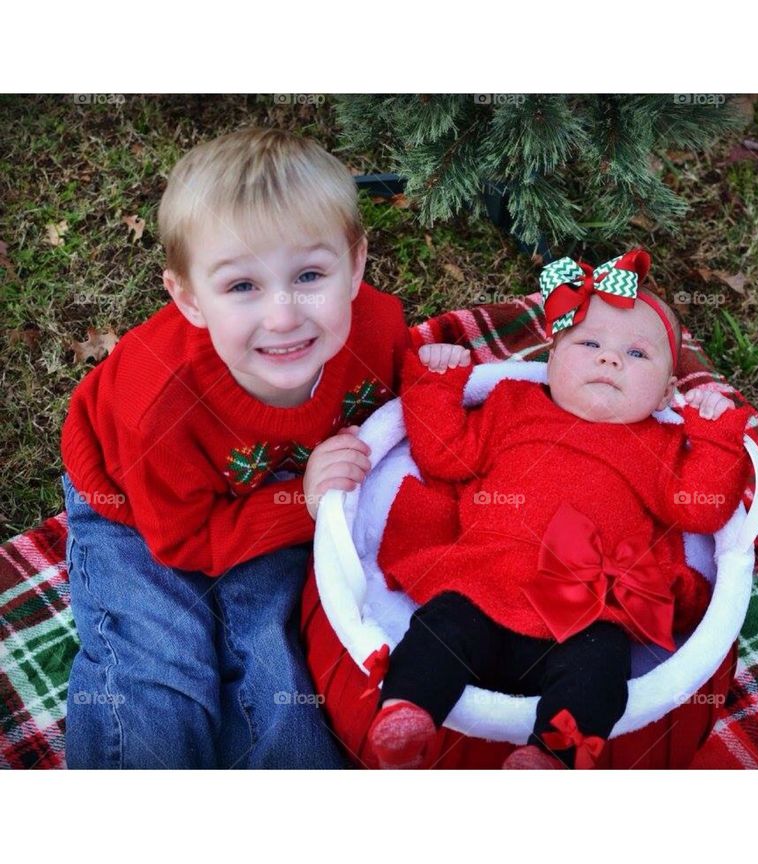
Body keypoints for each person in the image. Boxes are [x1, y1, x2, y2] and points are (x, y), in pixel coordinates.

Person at [59, 127, 464, 768]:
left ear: (354, 265)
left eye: (308, 275)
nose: (282, 316)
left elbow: (400, 396)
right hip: (140, 505)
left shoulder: (378, 326)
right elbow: (183, 541)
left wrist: (436, 381)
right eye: (242, 287)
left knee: (283, 660)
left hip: (279, 488)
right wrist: (300, 504)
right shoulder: (155, 406)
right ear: (189, 298)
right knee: (159, 664)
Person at [371, 248, 753, 769]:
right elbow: (443, 455)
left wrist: (713, 439)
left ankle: (553, 756)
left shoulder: (658, 445)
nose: (609, 358)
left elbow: (701, 511)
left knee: (600, 668)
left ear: (666, 393)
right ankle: (406, 710)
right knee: (441, 626)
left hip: (584, 606)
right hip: (487, 580)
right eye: (589, 343)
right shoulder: (512, 405)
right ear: (549, 361)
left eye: (637, 354)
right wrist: (438, 383)